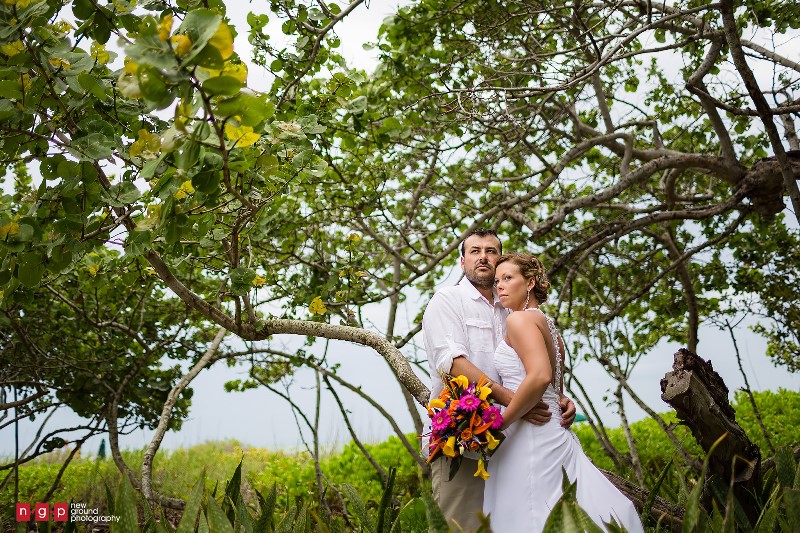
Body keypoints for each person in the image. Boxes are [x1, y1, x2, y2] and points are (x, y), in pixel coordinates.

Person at [422, 229, 576, 532]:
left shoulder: (513, 308)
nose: (483, 257)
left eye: (491, 251)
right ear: (462, 260)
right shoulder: (447, 300)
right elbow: (453, 364)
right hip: (465, 438)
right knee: (462, 525)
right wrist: (515, 404)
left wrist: (559, 399)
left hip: (518, 440)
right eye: (475, 250)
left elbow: (536, 368)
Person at [483, 253, 644, 532]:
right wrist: (562, 402)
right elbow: (556, 391)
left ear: (530, 282)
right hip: (555, 431)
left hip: (529, 434)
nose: (500, 286)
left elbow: (541, 376)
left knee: (531, 513)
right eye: (497, 280)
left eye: (508, 278)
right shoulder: (549, 326)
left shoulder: (518, 321)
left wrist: (499, 425)